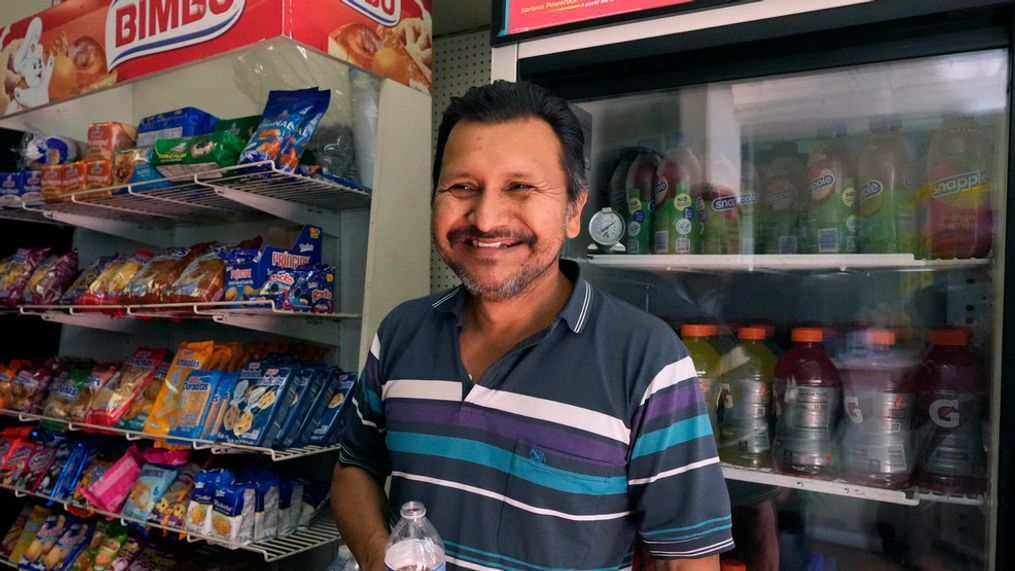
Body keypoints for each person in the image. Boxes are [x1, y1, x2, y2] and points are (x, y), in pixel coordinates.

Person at [331, 80, 734, 571]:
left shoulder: (648, 362)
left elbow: (685, 560)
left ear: (573, 210)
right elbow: (355, 467)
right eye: (462, 187)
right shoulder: (400, 332)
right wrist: (378, 557)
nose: (486, 219)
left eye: (520, 187)